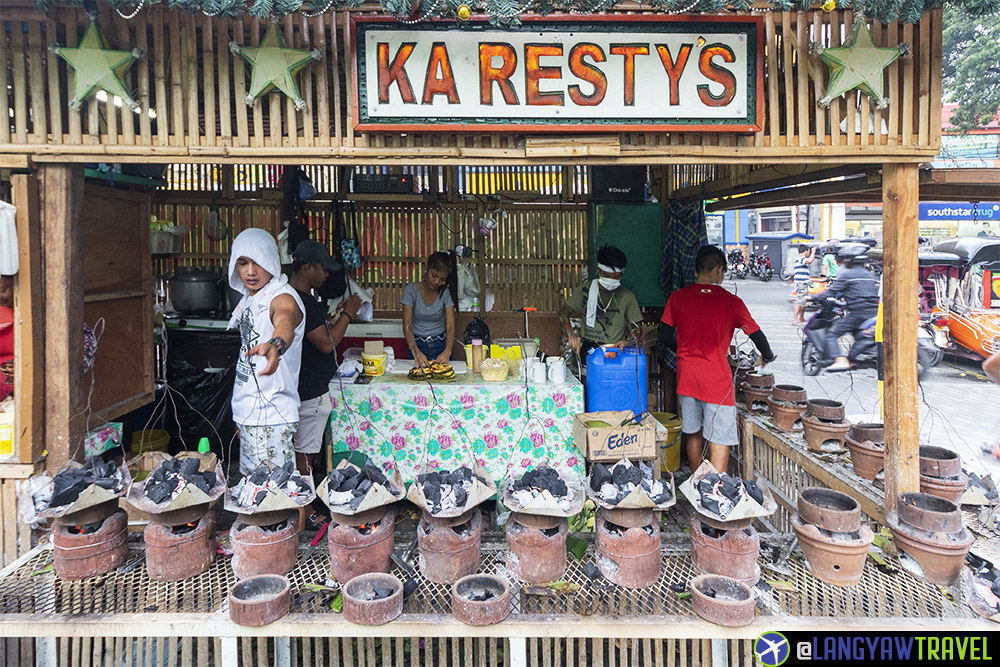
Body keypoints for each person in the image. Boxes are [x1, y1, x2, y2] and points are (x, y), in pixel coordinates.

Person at [660, 245, 775, 474]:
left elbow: (664, 336)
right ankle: (716, 491)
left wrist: (685, 347)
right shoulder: (731, 302)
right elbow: (756, 334)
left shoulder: (677, 298)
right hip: (716, 379)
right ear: (719, 270)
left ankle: (697, 482)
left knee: (693, 432)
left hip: (687, 377)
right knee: (719, 437)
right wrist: (767, 356)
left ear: (695, 272)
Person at [228, 228, 306, 475]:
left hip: (271, 415)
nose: (250, 271)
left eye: (258, 263)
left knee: (275, 494)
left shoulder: (282, 296)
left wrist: (276, 345)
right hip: (250, 412)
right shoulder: (252, 298)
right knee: (256, 490)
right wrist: (240, 414)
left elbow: (285, 320)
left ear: (272, 262)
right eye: (243, 263)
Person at [288, 240, 362, 476]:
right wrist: (349, 314)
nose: (326, 274)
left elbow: (315, 331)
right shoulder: (302, 301)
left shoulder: (294, 298)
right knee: (305, 453)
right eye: (323, 268)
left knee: (304, 450)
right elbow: (326, 344)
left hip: (304, 387)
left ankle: (304, 499)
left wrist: (334, 315)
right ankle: (305, 507)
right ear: (308, 268)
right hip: (310, 391)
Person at [560, 245, 642, 360]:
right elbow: (563, 313)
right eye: (607, 275)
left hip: (615, 351)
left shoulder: (627, 297)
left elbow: (637, 328)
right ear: (598, 270)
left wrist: (628, 342)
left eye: (617, 276)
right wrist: (571, 335)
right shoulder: (584, 291)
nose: (611, 280)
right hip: (588, 349)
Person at [822, 246, 880, 372]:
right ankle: (854, 358)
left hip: (857, 312)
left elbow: (830, 292)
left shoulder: (847, 275)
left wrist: (812, 297)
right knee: (856, 334)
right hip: (873, 312)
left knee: (832, 335)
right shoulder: (869, 275)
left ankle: (839, 361)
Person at [401, 252, 455, 367]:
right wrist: (416, 351)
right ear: (427, 268)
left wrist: (448, 350)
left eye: (442, 279)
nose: (437, 282)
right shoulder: (411, 291)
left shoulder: (446, 293)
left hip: (441, 344)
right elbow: (407, 325)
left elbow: (450, 326)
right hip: (416, 344)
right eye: (434, 275)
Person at [791, 245, 817, 325]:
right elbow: (810, 261)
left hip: (804, 283)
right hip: (801, 283)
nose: (809, 253)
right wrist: (814, 252)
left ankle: (801, 317)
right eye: (808, 252)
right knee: (799, 301)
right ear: (805, 251)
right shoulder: (801, 258)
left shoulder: (801, 259)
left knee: (804, 301)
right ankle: (795, 320)